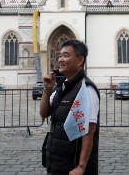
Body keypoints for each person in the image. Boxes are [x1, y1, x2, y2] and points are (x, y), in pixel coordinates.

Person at [40, 39, 100, 175]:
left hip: (72, 165)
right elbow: (44, 113)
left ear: (79, 60)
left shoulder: (86, 89)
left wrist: (81, 166)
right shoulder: (61, 86)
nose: (60, 59)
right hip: (56, 162)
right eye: (59, 55)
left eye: (65, 55)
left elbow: (89, 130)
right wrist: (47, 89)